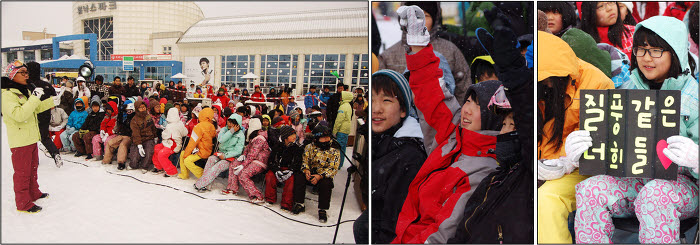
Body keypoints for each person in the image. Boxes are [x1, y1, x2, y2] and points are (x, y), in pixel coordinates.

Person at [573, 16, 699, 244]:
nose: (646, 58)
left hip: (684, 187)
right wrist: (583, 151)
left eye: (656, 51)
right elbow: (609, 150)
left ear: (676, 52)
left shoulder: (694, 97)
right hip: (636, 181)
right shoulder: (625, 88)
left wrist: (697, 158)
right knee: (590, 190)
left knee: (655, 194)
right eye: (641, 50)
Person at [390, 6, 504, 243]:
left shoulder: (484, 168)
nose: (467, 109)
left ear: (495, 116)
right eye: (468, 101)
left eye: (478, 106)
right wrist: (418, 44)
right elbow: (432, 94)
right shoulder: (454, 134)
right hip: (404, 233)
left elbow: (445, 232)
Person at [536, 30, 614, 244]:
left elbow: (601, 145)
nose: (546, 85)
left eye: (548, 80)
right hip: (540, 164)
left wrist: (564, 161)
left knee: (547, 200)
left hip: (581, 169)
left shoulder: (597, 82)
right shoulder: (538, 81)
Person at [370, 69, 427, 243]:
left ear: (403, 109)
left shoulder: (409, 157)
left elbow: (392, 226)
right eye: (371, 100)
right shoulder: (381, 141)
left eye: (386, 100)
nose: (376, 108)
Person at [379, 1, 472, 105]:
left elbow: (464, 88)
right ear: (404, 19)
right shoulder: (389, 56)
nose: (420, 22)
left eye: (425, 16)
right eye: (414, 16)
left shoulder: (451, 50)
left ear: (435, 19)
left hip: (444, 116)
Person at [2, 60, 57, 213]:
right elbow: (19, 115)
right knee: (22, 173)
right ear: (13, 75)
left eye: (27, 73)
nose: (27, 76)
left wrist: (52, 101)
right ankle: (23, 203)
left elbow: (35, 108)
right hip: (20, 141)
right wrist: (34, 98)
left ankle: (33, 192)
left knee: (32, 169)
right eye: (23, 73)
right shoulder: (7, 95)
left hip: (31, 137)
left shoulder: (22, 90)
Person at [292, 125, 341, 222]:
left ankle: (322, 209)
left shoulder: (334, 150)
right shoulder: (309, 147)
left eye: (328, 137)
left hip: (324, 175)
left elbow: (333, 168)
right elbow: (305, 161)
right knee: (299, 177)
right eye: (324, 137)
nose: (326, 139)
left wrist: (320, 176)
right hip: (311, 172)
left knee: (326, 184)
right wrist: (306, 170)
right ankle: (300, 203)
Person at [194, 114, 245, 192]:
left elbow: (238, 150)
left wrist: (225, 156)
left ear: (237, 124)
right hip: (220, 153)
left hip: (231, 157)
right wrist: (231, 131)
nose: (230, 124)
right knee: (211, 159)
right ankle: (207, 185)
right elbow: (221, 140)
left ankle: (201, 184)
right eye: (229, 122)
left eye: (232, 123)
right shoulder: (224, 130)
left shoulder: (240, 135)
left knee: (219, 166)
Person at [225, 118, 270, 202]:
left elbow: (252, 154)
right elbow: (248, 150)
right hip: (251, 160)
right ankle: (232, 188)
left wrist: (243, 165)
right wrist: (243, 155)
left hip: (259, 162)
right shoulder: (254, 137)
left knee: (243, 174)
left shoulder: (260, 139)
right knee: (234, 164)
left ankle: (257, 195)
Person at [26, 62, 61, 166]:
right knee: (44, 137)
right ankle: (55, 153)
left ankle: (34, 160)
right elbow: (55, 95)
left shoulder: (26, 84)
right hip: (45, 113)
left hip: (31, 113)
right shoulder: (45, 84)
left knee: (31, 138)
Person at [264, 126, 302, 211]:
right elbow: (271, 161)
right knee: (270, 176)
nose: (294, 137)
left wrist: (290, 171)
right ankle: (270, 198)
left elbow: (298, 162)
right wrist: (276, 170)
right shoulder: (277, 146)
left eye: (294, 134)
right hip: (278, 169)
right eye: (291, 135)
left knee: (291, 181)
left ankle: (286, 203)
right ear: (285, 137)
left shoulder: (297, 148)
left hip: (289, 171)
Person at [179, 107, 217, 180]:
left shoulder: (199, 126)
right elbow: (213, 136)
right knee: (183, 154)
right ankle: (184, 174)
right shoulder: (211, 126)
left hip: (201, 151)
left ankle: (202, 175)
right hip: (206, 150)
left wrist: (187, 153)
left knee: (186, 159)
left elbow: (192, 142)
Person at [151, 107, 189, 176]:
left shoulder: (178, 124)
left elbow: (164, 135)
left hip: (174, 145)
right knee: (157, 148)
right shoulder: (171, 124)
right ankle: (159, 167)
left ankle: (172, 171)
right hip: (167, 142)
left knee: (162, 154)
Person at [128, 99, 158, 173]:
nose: (143, 109)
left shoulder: (148, 117)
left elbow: (152, 127)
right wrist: (139, 144)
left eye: (144, 107)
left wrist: (155, 136)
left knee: (149, 151)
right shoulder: (134, 120)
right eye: (140, 107)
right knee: (135, 157)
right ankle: (133, 165)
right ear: (137, 109)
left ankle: (145, 166)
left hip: (149, 138)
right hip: (138, 139)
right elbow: (136, 133)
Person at [71, 95, 105, 159]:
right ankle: (81, 150)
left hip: (96, 131)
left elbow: (98, 125)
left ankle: (90, 153)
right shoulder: (90, 114)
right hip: (88, 130)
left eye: (96, 106)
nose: (95, 108)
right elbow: (86, 123)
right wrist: (82, 129)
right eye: (93, 106)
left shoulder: (101, 114)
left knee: (87, 136)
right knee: (75, 135)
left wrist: (88, 130)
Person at [105, 101, 135, 169]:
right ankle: (106, 160)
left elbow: (132, 126)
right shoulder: (122, 116)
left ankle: (121, 162)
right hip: (121, 134)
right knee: (110, 143)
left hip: (129, 136)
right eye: (126, 110)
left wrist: (130, 114)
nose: (128, 112)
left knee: (123, 145)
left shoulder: (133, 116)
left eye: (129, 111)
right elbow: (119, 123)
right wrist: (121, 112)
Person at [332, 90, 353, 168]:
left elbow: (339, 120)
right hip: (346, 130)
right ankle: (340, 164)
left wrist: (334, 131)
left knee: (339, 148)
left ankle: (337, 164)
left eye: (341, 96)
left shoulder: (343, 106)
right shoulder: (348, 105)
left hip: (341, 130)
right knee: (343, 148)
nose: (340, 98)